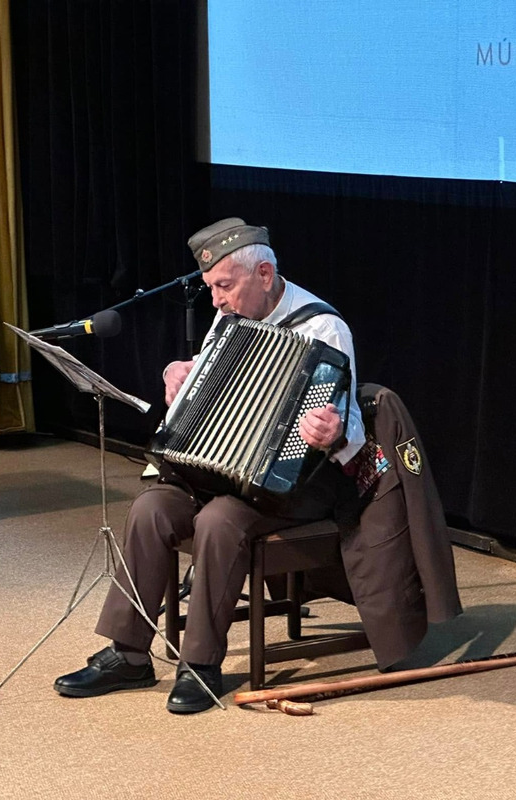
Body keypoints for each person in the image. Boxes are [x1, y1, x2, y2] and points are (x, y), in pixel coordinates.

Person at [53, 217, 366, 713]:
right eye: (210, 287)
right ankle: (129, 654)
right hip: (220, 474)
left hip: (296, 482)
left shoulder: (323, 328)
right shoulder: (228, 319)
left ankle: (200, 666)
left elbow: (351, 428)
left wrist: (334, 432)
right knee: (151, 508)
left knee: (219, 521)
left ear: (264, 274)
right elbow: (206, 384)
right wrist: (177, 371)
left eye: (224, 286)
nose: (216, 300)